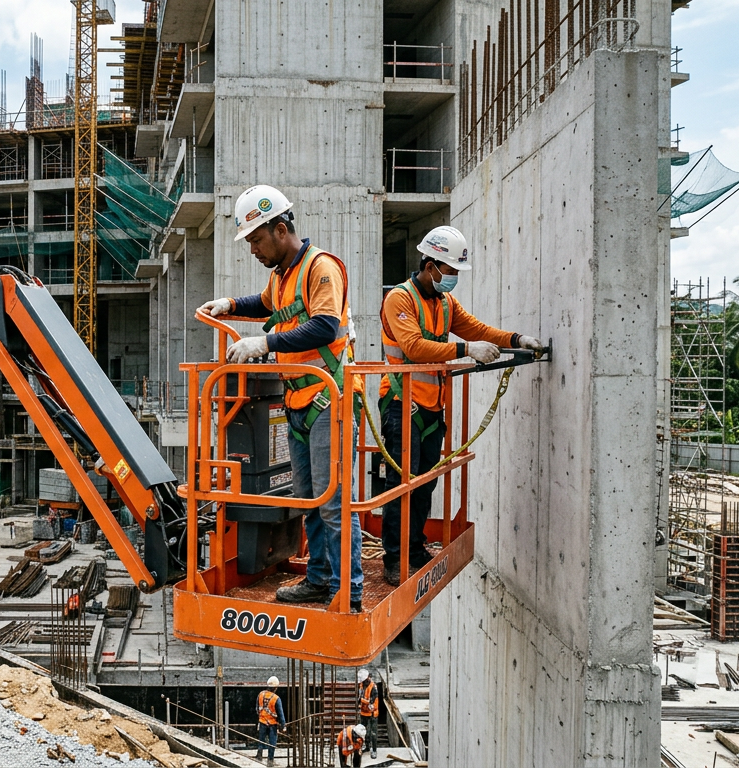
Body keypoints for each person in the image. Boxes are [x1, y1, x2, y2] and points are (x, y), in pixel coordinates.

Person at [199, 184, 363, 611]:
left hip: (331, 398)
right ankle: (320, 580)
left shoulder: (320, 268)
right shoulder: (283, 276)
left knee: (332, 504)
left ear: (281, 228)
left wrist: (265, 343)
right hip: (301, 400)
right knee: (308, 500)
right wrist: (231, 304)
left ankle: (349, 593)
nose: (252, 249)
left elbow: (326, 326)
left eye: (255, 239)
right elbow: (266, 304)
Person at [376, 226, 542, 586]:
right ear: (431, 265)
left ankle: (414, 549)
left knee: (425, 484)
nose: (452, 279)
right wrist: (466, 351)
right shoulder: (399, 300)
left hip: (432, 408)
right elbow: (415, 347)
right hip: (402, 406)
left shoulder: (445, 303)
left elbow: (476, 329)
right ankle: (394, 557)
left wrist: (516, 340)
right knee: (402, 484)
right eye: (449, 272)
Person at [255, 675, 285, 766]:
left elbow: (257, 709)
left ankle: (259, 756)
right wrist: (283, 726)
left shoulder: (261, 694)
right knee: (272, 742)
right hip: (272, 724)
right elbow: (281, 714)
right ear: (275, 688)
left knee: (261, 740)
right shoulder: (276, 699)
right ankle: (270, 760)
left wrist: (261, 717)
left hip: (262, 722)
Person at [357, 669, 379, 759]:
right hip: (363, 712)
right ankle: (367, 747)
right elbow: (359, 697)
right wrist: (359, 703)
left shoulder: (373, 687)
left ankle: (374, 750)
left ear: (368, 678)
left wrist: (362, 700)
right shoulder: (361, 686)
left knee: (373, 733)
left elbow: (371, 701)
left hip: (373, 713)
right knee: (363, 731)